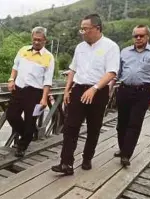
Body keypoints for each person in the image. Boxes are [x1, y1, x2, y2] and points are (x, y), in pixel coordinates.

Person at [51, 14, 120, 175]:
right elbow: (72, 70)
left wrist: (95, 88)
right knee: (70, 127)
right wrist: (67, 90)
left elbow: (111, 72)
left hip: (98, 91)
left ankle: (87, 157)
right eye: (81, 29)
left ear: (97, 28)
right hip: (78, 89)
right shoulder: (80, 47)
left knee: (93, 127)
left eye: (85, 29)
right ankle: (66, 163)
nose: (82, 32)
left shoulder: (110, 47)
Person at [113, 24, 150, 166]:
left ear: (148, 36)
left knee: (134, 124)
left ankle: (126, 154)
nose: (139, 38)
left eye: (142, 35)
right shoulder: (124, 51)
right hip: (124, 89)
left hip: (143, 91)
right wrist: (109, 89)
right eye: (136, 36)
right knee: (121, 123)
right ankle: (123, 148)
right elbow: (117, 73)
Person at [6, 26, 55, 157]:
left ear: (45, 40)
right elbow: (15, 66)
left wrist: (44, 98)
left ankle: (22, 146)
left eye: (39, 40)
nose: (37, 42)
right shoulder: (23, 50)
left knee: (30, 121)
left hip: (35, 93)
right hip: (19, 89)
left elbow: (47, 80)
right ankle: (28, 134)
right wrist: (11, 79)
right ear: (31, 38)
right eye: (34, 39)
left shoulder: (48, 57)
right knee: (11, 115)